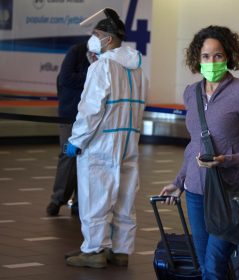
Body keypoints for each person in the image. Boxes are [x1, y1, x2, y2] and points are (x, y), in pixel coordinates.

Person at [159, 25, 239, 279]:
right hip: (197, 192)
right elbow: (194, 146)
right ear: (197, 59)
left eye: (217, 55)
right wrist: (179, 183)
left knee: (213, 265)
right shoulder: (191, 93)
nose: (211, 62)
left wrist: (227, 160)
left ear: (228, 56)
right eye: (206, 56)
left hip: (230, 192)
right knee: (204, 264)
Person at [64, 8, 147, 268]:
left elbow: (90, 110)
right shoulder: (137, 68)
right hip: (129, 142)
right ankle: (120, 250)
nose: (92, 39)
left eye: (96, 34)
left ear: (108, 38)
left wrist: (76, 139)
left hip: (100, 143)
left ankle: (94, 251)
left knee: (95, 197)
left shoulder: (102, 67)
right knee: (124, 198)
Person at [46, 42, 95, 216]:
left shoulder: (107, 58)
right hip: (70, 113)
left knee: (87, 158)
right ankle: (57, 199)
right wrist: (91, 76)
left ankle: (79, 202)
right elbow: (65, 78)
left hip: (91, 116)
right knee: (68, 155)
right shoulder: (78, 51)